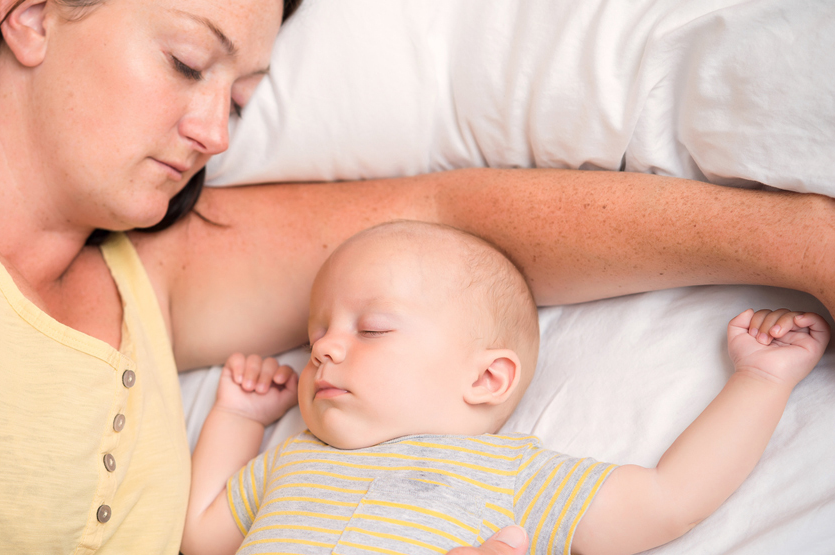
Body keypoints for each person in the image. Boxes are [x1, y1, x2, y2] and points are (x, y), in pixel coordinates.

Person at [0, 0, 834, 552]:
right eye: (184, 61)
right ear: (30, 13)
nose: (212, 131)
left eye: (245, 100)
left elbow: (442, 225)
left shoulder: (146, 273)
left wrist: (804, 249)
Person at [181, 221, 830, 555]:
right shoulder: (291, 460)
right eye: (316, 330)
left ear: (486, 378)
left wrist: (761, 379)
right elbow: (202, 535)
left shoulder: (512, 474)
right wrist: (238, 416)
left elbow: (667, 499)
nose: (321, 346)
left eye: (371, 329)